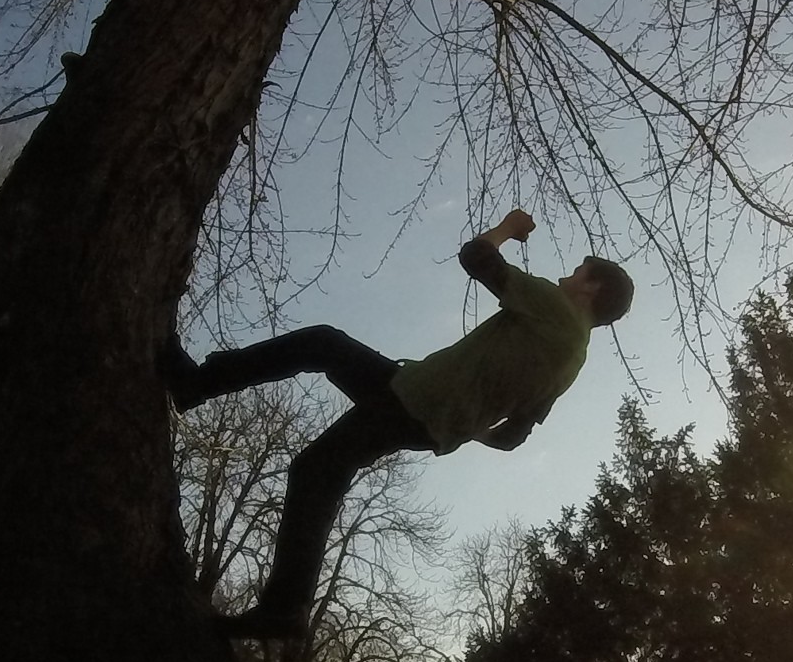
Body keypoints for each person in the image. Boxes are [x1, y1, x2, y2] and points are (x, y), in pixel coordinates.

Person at [165, 210, 634, 639]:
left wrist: (507, 229)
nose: (565, 275)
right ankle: (283, 606)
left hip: (415, 402)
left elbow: (477, 257)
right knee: (322, 354)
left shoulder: (559, 310)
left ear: (591, 290)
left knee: (318, 465)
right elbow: (515, 434)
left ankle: (284, 609)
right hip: (419, 403)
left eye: (577, 272)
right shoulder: (574, 360)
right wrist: (465, 424)